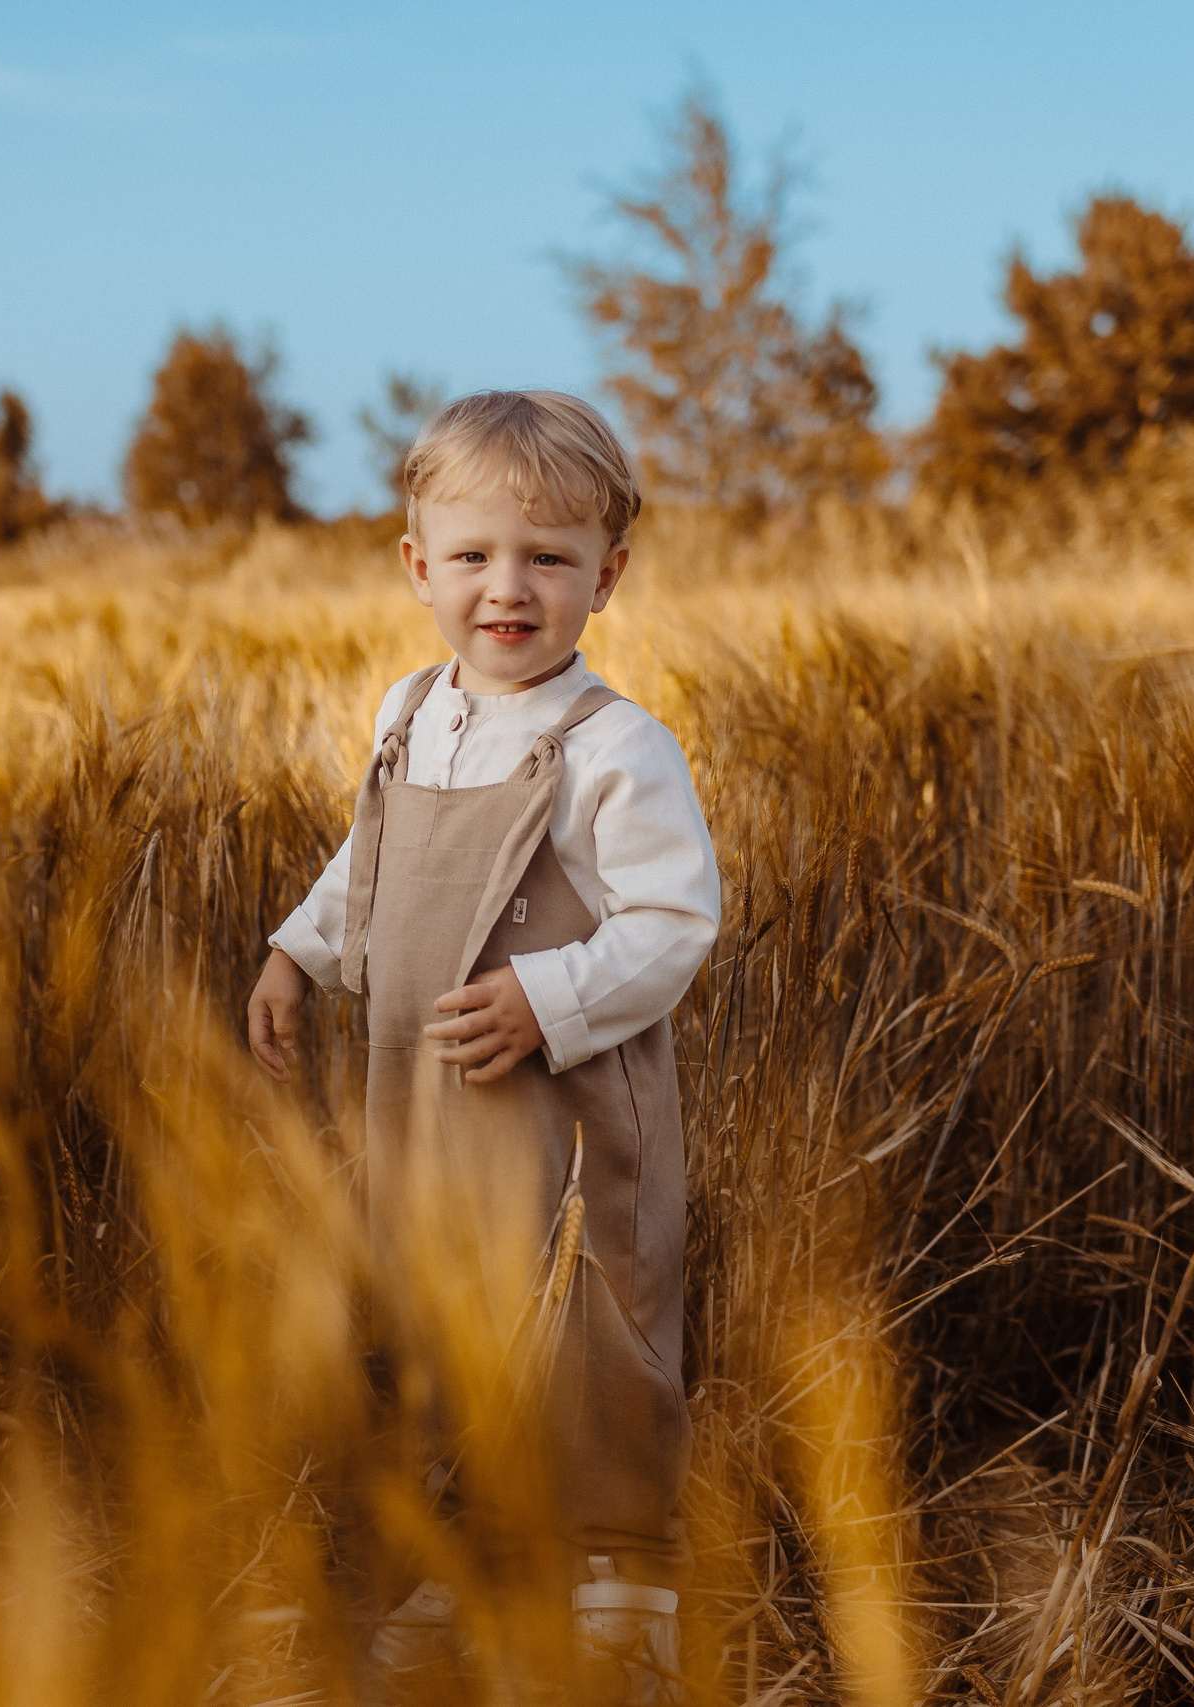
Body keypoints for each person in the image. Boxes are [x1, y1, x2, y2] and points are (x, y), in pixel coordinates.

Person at [244, 390, 720, 1700]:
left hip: (560, 1118)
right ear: (418, 567)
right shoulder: (410, 712)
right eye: (472, 557)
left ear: (605, 577)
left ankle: (619, 1581)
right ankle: (465, 1562)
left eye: (548, 560)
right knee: (441, 1315)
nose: (507, 590)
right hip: (422, 1102)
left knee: (584, 1326)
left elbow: (675, 923)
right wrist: (299, 951)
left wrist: (547, 999)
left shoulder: (615, 748)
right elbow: (372, 862)